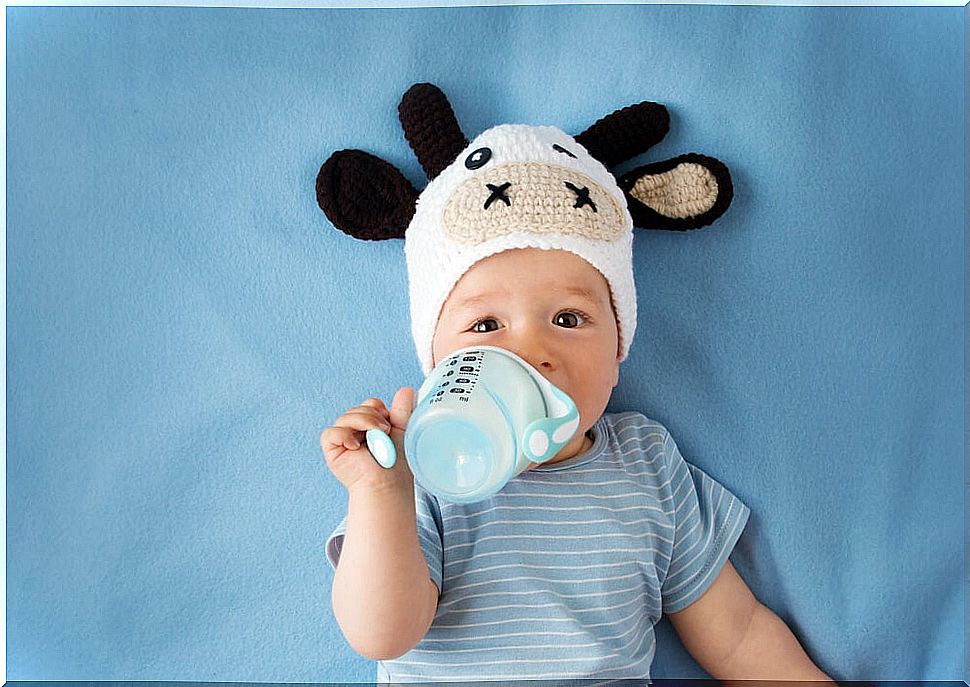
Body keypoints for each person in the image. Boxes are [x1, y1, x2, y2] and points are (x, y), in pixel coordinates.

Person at [319, 114, 833, 682]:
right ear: (438, 362)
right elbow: (380, 634)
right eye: (486, 325)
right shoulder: (416, 470)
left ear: (618, 352)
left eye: (569, 318)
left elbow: (737, 636)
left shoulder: (648, 464)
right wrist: (378, 494)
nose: (531, 350)